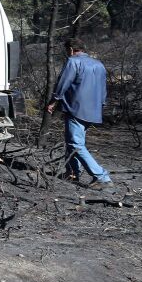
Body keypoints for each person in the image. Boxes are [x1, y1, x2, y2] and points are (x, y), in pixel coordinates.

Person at [46, 38, 113, 189]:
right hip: (94, 109)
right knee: (73, 141)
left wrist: (53, 101)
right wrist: (101, 104)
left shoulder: (73, 62)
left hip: (76, 108)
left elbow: (63, 83)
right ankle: (72, 173)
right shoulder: (99, 64)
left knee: (76, 144)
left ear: (71, 49)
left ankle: (101, 177)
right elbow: (103, 89)